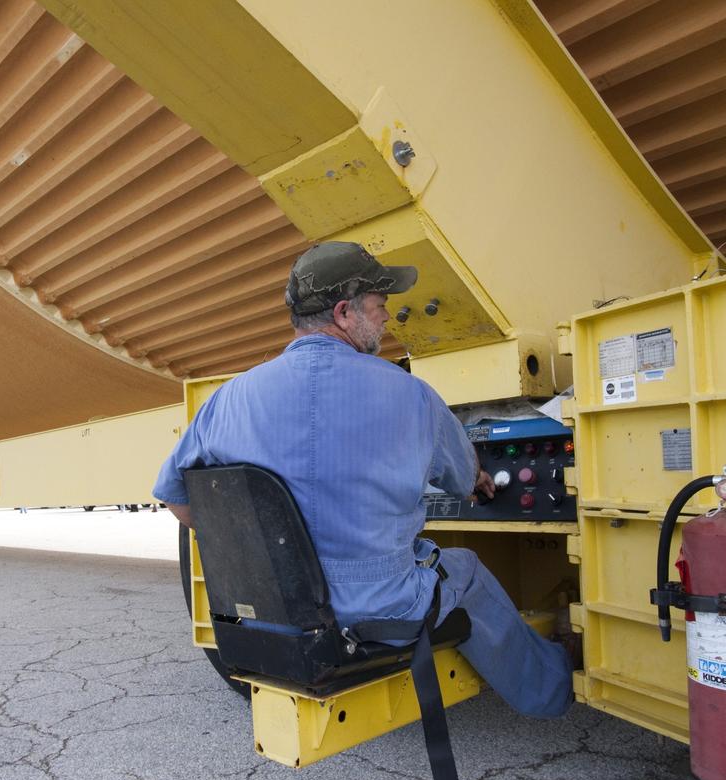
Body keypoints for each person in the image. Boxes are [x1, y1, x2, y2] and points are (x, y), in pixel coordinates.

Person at [153, 242, 572, 719]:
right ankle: (555, 689)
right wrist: (476, 476)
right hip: (380, 610)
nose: (389, 316)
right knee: (465, 568)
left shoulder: (229, 399)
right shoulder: (411, 395)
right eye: (380, 305)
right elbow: (460, 481)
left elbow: (180, 501)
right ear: (344, 313)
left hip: (275, 618)